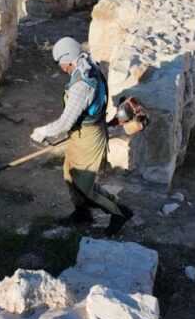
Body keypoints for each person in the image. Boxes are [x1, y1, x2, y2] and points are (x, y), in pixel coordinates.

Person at [31, 37, 134, 236]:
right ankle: (82, 213)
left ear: (68, 60)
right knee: (70, 174)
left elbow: (65, 123)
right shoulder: (87, 65)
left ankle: (120, 212)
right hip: (81, 134)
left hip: (89, 138)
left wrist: (43, 131)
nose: (60, 67)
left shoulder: (82, 85)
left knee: (84, 185)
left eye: (60, 63)